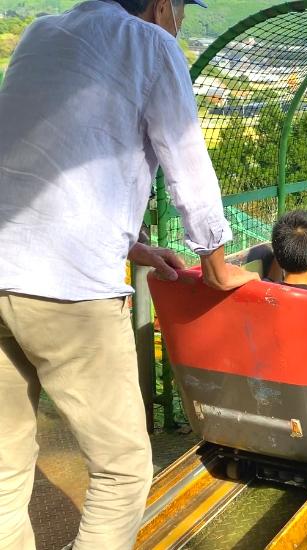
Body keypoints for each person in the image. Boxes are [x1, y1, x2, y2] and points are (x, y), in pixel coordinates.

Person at [0, 0, 259, 549]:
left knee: (4, 464)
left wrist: (137, 247)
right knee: (121, 469)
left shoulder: (41, 33)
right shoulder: (155, 45)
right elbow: (189, 167)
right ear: (163, 5)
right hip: (69, 291)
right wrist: (216, 267)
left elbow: (45, 159)